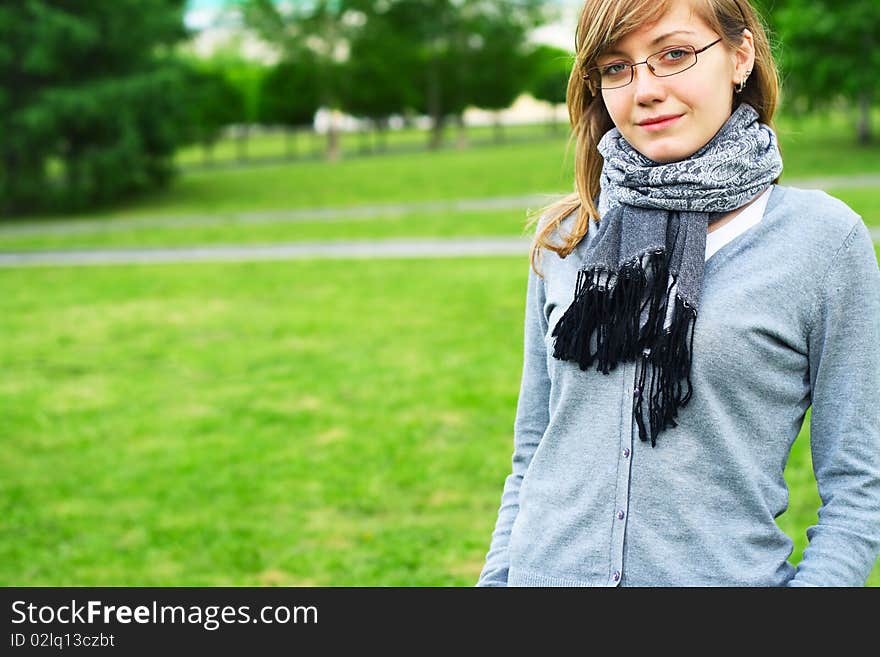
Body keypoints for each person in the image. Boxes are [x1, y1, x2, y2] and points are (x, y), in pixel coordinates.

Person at [476, 0, 880, 587]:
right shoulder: (568, 239)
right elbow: (534, 453)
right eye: (617, 67)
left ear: (741, 56)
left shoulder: (822, 242)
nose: (644, 90)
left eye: (674, 55)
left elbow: (858, 485)